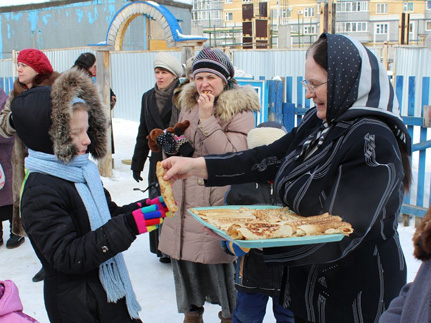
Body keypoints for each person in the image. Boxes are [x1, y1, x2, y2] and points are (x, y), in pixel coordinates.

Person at [161, 33, 412, 323]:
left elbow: (344, 231)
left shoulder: (371, 139)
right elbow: (264, 158)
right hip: (309, 289)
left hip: (353, 297)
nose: (308, 93)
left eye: (316, 84)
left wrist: (253, 237)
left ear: (346, 81)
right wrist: (196, 166)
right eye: (308, 83)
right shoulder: (319, 123)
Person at [11, 67, 170, 323]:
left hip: (107, 293)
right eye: (75, 134)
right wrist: (129, 226)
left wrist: (146, 209)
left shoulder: (81, 172)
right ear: (50, 138)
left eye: (87, 130)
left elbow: (108, 216)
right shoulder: (40, 191)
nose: (86, 140)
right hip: (78, 306)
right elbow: (66, 256)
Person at [157, 47, 261, 323]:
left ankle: (228, 317)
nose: (204, 84)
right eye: (199, 77)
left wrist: (206, 119)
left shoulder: (240, 109)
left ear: (224, 81)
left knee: (221, 271)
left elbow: (229, 157)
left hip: (215, 202)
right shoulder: (187, 104)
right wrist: (172, 146)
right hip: (184, 202)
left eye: (211, 78)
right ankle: (192, 315)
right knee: (187, 270)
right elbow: (185, 150)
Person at [221, 121, 294, 323]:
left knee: (290, 317)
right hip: (251, 273)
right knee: (246, 318)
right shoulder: (240, 187)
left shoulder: (294, 184)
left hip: (289, 274)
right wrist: (233, 244)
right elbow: (225, 226)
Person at [0, 48, 60, 282]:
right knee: (32, 216)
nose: (19, 69)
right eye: (18, 65)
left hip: (52, 164)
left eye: (24, 65)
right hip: (23, 166)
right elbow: (4, 126)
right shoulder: (15, 93)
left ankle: (55, 260)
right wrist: (15, 118)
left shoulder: (57, 90)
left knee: (53, 216)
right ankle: (46, 261)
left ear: (37, 69)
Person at [131, 52, 183, 263]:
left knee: (176, 202)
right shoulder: (147, 97)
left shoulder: (183, 96)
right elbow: (143, 130)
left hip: (178, 157)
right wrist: (137, 163)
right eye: (157, 72)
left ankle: (176, 248)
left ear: (174, 75)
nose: (160, 76)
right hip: (156, 160)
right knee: (157, 201)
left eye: (164, 72)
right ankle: (161, 248)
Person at [73, 52, 117, 152]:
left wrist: (110, 101)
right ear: (87, 66)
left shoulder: (98, 78)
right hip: (84, 121)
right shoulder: (79, 80)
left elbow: (109, 95)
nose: (96, 69)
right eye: (94, 66)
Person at [0, 88, 24, 249]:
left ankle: (16, 231)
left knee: (11, 196)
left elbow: (9, 130)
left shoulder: (4, 100)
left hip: (6, 156)